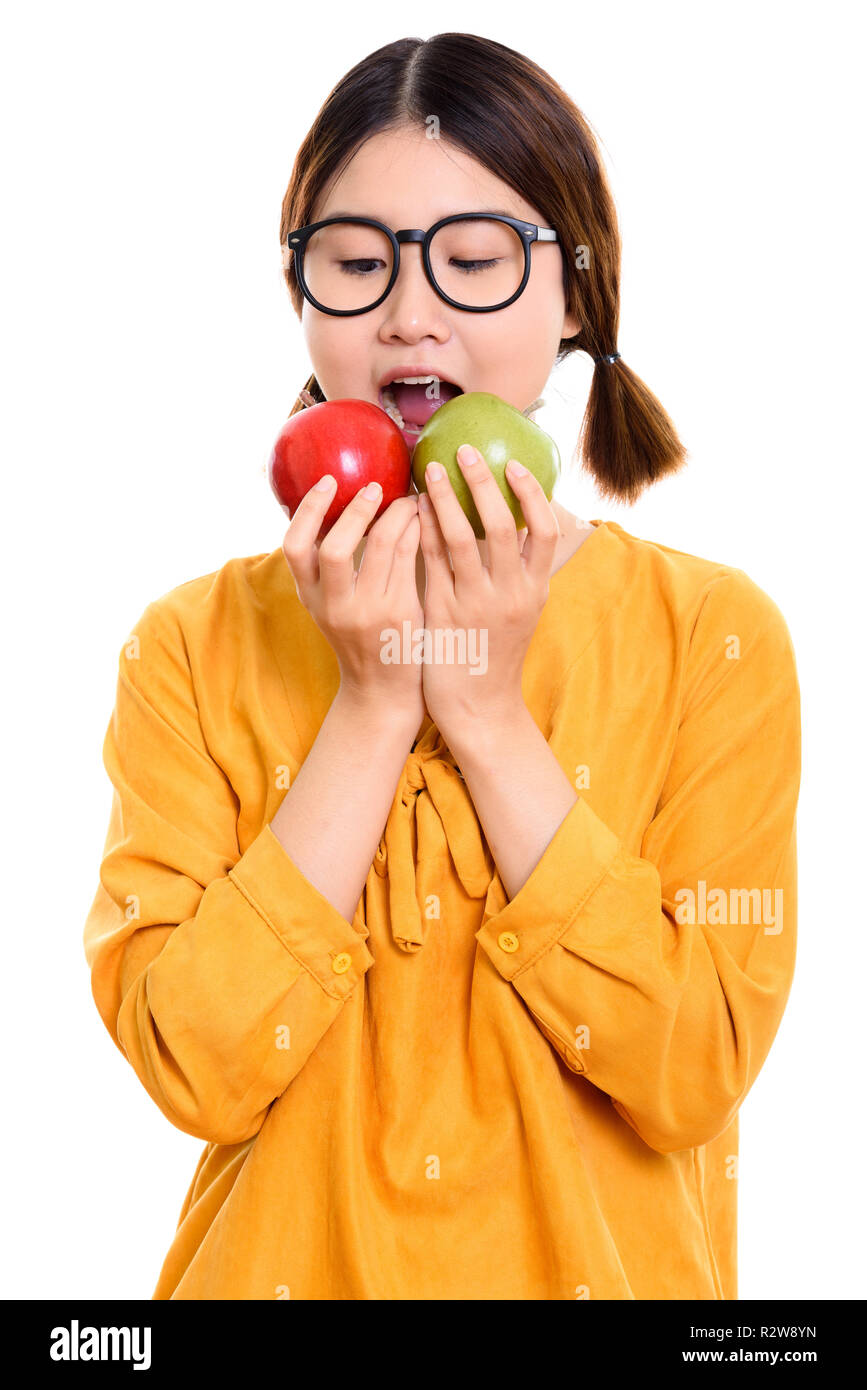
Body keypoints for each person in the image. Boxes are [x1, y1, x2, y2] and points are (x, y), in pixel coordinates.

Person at [82, 33, 800, 1300]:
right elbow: (193, 1066)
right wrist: (372, 703)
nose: (411, 312)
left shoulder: (711, 635)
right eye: (357, 264)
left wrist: (478, 705)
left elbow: (692, 1069)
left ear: (576, 296)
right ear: (303, 295)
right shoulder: (187, 646)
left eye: (472, 262)